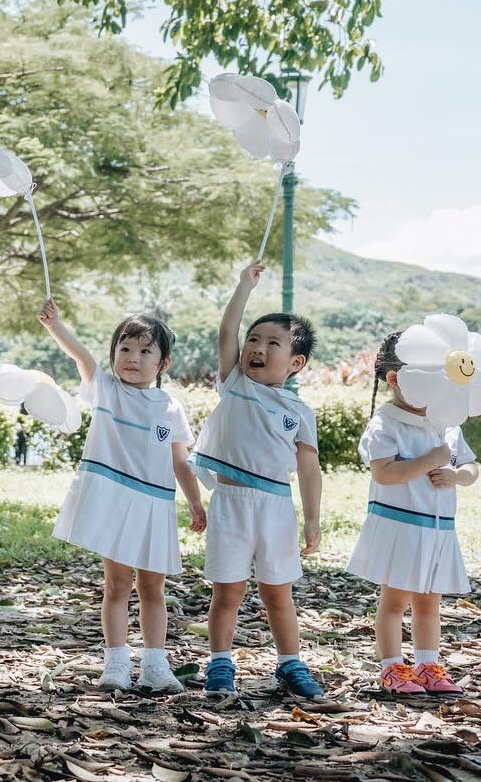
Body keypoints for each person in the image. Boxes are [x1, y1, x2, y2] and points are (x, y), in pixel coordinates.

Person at [39, 299, 206, 691]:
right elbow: (80, 356)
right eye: (125, 349)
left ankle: (155, 665)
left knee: (152, 587)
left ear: (163, 363)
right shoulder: (106, 390)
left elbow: (181, 462)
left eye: (146, 351)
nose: (133, 358)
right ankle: (115, 663)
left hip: (154, 505)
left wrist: (196, 502)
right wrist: (55, 326)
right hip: (116, 502)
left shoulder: (169, 406)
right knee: (116, 585)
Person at [192, 262, 323, 699]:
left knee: (277, 593)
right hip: (230, 502)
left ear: (295, 362)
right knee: (227, 591)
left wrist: (312, 520)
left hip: (276, 508)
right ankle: (220, 664)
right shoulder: (234, 384)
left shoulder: (300, 412)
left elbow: (308, 468)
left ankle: (290, 664)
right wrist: (243, 288)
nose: (257, 347)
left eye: (273, 343)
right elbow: (225, 331)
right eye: (254, 339)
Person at [347, 330, 479, 695]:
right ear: (395, 379)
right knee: (394, 600)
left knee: (428, 600)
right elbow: (384, 473)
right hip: (400, 526)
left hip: (438, 530)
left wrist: (456, 475)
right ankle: (392, 668)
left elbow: (470, 467)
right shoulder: (385, 425)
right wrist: (429, 461)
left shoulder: (448, 423)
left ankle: (428, 664)